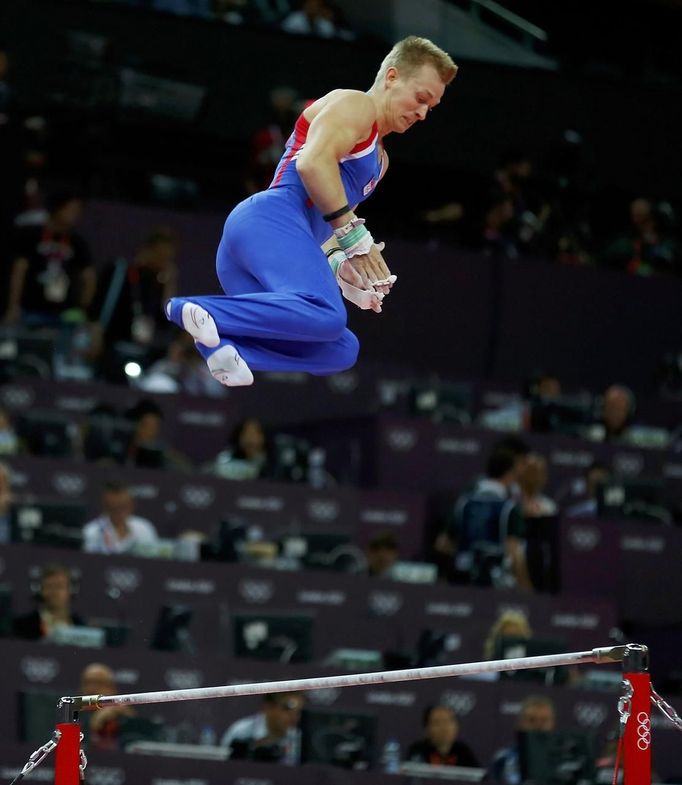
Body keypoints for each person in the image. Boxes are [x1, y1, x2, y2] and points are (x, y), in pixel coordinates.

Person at [165, 36, 457, 387]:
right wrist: (353, 234)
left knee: (341, 348)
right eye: (421, 98)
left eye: (432, 108)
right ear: (392, 77)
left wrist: (344, 269)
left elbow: (328, 232)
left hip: (275, 247)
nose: (423, 113)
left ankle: (231, 350)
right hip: (269, 221)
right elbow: (312, 163)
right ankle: (201, 310)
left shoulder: (380, 162)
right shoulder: (355, 105)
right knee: (328, 316)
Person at [437, 443, 533, 590]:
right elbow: (515, 556)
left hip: (460, 582)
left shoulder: (463, 503)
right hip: (494, 587)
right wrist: (527, 590)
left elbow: (443, 545)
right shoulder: (509, 509)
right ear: (510, 474)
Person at [3, 190, 95, 327]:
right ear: (58, 208)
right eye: (71, 209)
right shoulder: (32, 235)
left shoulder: (77, 243)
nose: (76, 214)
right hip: (30, 309)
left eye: (79, 210)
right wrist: (13, 306)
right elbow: (19, 270)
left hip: (64, 314)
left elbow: (89, 277)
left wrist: (81, 308)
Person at [220, 691, 305, 763]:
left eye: (298, 711)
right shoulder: (241, 731)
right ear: (268, 707)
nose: (294, 716)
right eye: (288, 708)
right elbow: (225, 767)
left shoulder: (300, 737)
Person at [491, 695, 556, 785]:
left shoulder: (562, 762)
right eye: (532, 720)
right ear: (520, 724)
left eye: (544, 720)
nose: (539, 726)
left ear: (552, 725)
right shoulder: (503, 759)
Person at [82, 479, 159, 555]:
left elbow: (153, 559)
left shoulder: (144, 528)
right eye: (114, 508)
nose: (120, 512)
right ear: (105, 506)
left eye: (123, 506)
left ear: (131, 504)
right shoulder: (92, 531)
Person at [13, 562, 86, 639]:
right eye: (49, 586)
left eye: (59, 586)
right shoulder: (23, 626)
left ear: (70, 590)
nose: (54, 592)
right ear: (40, 590)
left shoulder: (82, 627)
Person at [80, 663, 135, 751]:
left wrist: (114, 709)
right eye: (87, 682)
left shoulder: (120, 715)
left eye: (99, 683)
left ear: (112, 688)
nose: (92, 688)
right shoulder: (72, 710)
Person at [406, 704, 480, 768]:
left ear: (456, 726)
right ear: (427, 728)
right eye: (437, 722)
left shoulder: (463, 752)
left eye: (448, 721)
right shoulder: (418, 751)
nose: (444, 728)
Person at [517, 453, 557, 518]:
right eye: (529, 472)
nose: (532, 478)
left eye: (537, 474)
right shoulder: (508, 504)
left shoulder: (549, 507)